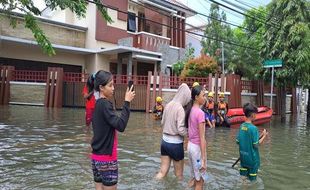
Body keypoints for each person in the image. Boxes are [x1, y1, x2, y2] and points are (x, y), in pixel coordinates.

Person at [91, 70, 135, 190]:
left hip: (96, 158)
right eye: (110, 85)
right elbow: (121, 125)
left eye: (113, 85)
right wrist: (127, 102)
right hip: (107, 160)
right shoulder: (105, 104)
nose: (113, 88)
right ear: (101, 87)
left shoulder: (97, 104)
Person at [155, 83, 191, 180]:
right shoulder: (180, 108)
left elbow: (162, 122)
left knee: (162, 172)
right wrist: (188, 133)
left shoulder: (168, 105)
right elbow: (180, 129)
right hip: (176, 144)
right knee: (179, 175)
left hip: (164, 142)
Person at [236, 103, 268, 181]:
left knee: (244, 179)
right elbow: (256, 145)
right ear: (253, 115)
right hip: (253, 160)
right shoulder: (253, 128)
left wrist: (260, 136)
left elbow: (238, 141)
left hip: (243, 158)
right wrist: (264, 136)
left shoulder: (242, 126)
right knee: (252, 181)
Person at [187, 85, 207, 189]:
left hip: (190, 147)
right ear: (196, 97)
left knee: (194, 177)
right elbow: (202, 137)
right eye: (203, 95)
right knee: (200, 181)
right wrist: (203, 159)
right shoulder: (200, 113)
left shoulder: (190, 110)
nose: (205, 98)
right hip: (197, 149)